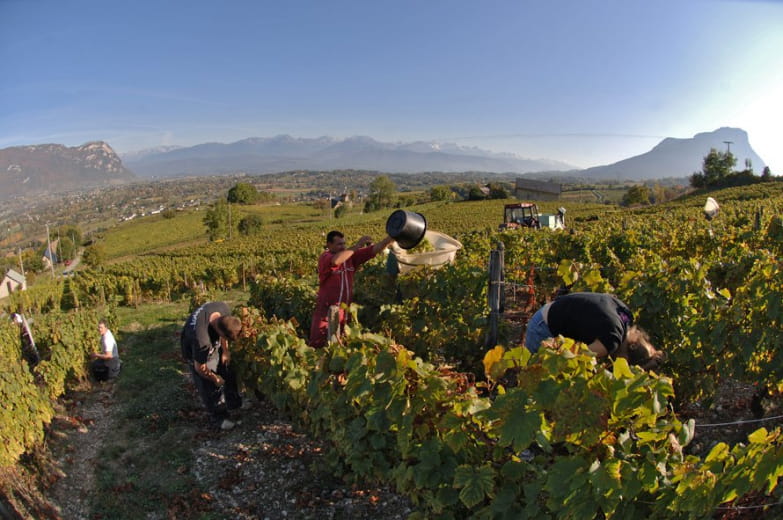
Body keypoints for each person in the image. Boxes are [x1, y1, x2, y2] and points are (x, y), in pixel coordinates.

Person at [524, 292, 663, 369]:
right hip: (543, 328)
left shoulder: (626, 317)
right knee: (543, 380)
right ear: (627, 358)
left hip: (552, 311)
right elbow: (574, 357)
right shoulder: (610, 341)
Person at [309, 230, 395, 347]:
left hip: (344, 312)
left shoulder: (350, 257)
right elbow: (336, 261)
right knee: (317, 344)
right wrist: (358, 245)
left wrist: (391, 237)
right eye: (339, 244)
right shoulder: (325, 257)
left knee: (341, 346)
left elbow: (375, 249)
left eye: (344, 243)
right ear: (329, 245)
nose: (343, 246)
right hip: (326, 311)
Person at [181, 302, 243, 430]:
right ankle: (219, 418)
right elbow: (200, 368)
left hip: (213, 336)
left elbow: (224, 331)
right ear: (219, 333)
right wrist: (214, 378)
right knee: (208, 384)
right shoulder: (201, 340)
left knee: (227, 368)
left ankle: (234, 404)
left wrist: (225, 351)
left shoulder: (223, 309)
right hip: (193, 351)